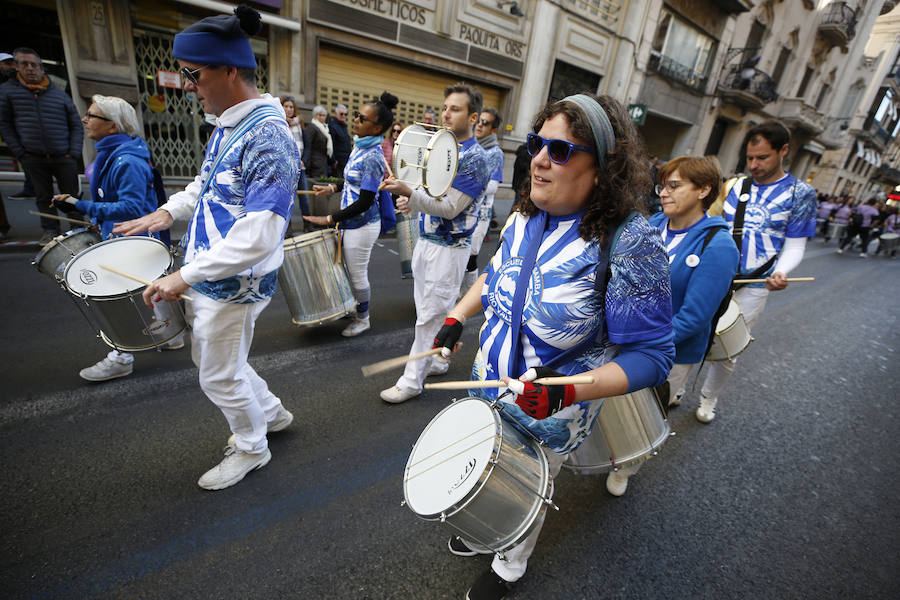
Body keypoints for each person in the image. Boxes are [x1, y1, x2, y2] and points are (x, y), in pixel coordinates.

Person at [429, 92, 674, 600]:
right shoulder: (523, 215)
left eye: (560, 151)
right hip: (486, 379)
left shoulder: (630, 242)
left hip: (554, 403)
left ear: (604, 166)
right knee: (485, 463)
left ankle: (510, 564)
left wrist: (567, 393)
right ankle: (488, 526)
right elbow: (496, 276)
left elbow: (653, 357)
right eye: (538, 144)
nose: (539, 158)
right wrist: (457, 315)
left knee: (528, 484)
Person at [112, 5, 299, 491]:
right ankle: (272, 415)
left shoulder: (270, 137)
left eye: (193, 75)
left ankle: (252, 447)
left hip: (232, 282)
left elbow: (261, 233)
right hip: (211, 273)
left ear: (229, 71)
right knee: (221, 364)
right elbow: (208, 184)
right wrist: (167, 213)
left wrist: (184, 276)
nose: (188, 85)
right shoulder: (229, 123)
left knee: (217, 376)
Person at [607, 156, 738, 496]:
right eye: (662, 185)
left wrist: (643, 344)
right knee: (611, 409)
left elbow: (695, 317)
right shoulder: (651, 226)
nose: (663, 193)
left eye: (674, 186)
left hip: (669, 352)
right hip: (623, 340)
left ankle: (627, 466)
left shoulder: (718, 245)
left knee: (643, 416)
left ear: (703, 190)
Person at [51, 95, 185, 381]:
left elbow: (132, 208)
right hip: (132, 235)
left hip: (132, 237)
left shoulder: (126, 160)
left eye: (92, 115)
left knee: (116, 297)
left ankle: (122, 357)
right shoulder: (116, 154)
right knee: (152, 285)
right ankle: (172, 335)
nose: (85, 120)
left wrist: (80, 205)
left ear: (113, 126)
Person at [696, 121, 816, 423]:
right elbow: (707, 226)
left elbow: (795, 244)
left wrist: (782, 271)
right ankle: (678, 388)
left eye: (762, 158)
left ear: (783, 151)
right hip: (715, 275)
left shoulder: (800, 194)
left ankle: (709, 396)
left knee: (727, 344)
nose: (754, 164)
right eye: (750, 158)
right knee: (693, 333)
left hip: (757, 282)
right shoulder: (734, 185)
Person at [379, 83, 490, 403]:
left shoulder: (475, 159)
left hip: (449, 248)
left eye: (454, 109)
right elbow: (431, 194)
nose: (446, 113)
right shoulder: (444, 147)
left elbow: (449, 207)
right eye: (445, 107)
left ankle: (412, 380)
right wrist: (411, 201)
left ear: (473, 117)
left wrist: (409, 194)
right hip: (427, 243)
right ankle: (438, 358)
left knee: (428, 317)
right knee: (430, 311)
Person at [304, 92, 399, 337]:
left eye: (362, 118)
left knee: (357, 276)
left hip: (362, 224)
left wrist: (329, 218)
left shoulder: (373, 157)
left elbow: (366, 201)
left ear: (377, 127)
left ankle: (363, 318)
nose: (356, 120)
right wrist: (332, 187)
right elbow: (352, 182)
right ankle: (352, 308)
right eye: (356, 115)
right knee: (345, 270)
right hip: (349, 222)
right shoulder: (360, 145)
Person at [0, 47, 84, 244]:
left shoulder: (58, 93)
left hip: (63, 155)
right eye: (24, 64)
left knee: (70, 195)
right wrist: (21, 152)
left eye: (34, 65)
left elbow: (75, 124)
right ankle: (50, 230)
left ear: (41, 68)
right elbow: (5, 124)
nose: (30, 69)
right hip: (33, 155)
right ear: (17, 67)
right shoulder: (8, 91)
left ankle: (79, 228)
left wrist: (72, 152)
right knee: (43, 196)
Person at [460, 108, 504, 294]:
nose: (480, 125)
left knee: (470, 256)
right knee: (460, 255)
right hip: (463, 210)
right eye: (479, 120)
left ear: (493, 130)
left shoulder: (495, 153)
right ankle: (460, 294)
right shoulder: (470, 146)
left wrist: (465, 184)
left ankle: (471, 294)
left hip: (481, 215)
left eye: (485, 123)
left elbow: (493, 186)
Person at [281, 95, 309, 228]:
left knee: (305, 197)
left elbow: (307, 145)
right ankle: (288, 227)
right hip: (285, 167)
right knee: (287, 198)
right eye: (286, 106)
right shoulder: (279, 123)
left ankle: (308, 224)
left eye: (291, 107)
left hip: (300, 167)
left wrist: (304, 160)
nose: (289, 109)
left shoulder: (300, 124)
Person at [305, 105, 332, 179]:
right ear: (315, 115)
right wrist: (308, 164)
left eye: (324, 115)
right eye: (319, 115)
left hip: (323, 163)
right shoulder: (312, 127)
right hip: (314, 164)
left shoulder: (325, 129)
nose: (322, 117)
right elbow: (308, 145)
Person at [328, 103, 351, 175]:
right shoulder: (332, 126)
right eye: (341, 114)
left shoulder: (344, 127)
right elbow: (331, 145)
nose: (344, 116)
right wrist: (333, 161)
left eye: (345, 114)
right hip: (337, 164)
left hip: (345, 162)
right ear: (336, 114)